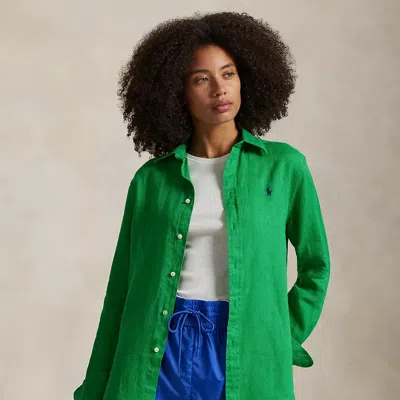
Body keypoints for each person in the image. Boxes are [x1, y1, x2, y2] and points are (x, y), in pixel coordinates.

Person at [73, 10, 330, 400]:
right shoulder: (151, 181)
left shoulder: (284, 167)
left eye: (228, 74)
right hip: (158, 347)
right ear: (177, 92)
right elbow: (121, 292)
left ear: (246, 78)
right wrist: (95, 386)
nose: (219, 89)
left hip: (241, 345)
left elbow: (316, 265)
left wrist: (280, 334)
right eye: (201, 79)